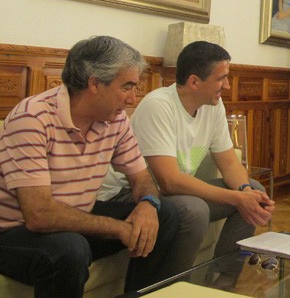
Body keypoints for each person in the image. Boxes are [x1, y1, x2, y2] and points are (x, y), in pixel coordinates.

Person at [0, 36, 180, 298]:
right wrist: (119, 228)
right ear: (95, 83)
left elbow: (142, 178)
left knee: (166, 216)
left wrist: (148, 205)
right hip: (14, 231)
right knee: (69, 248)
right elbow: (39, 215)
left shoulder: (115, 119)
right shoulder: (32, 118)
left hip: (75, 216)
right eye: (127, 87)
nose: (132, 98)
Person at [99, 40, 275, 285]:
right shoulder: (158, 105)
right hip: (132, 194)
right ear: (194, 81)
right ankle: (175, 289)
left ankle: (221, 283)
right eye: (221, 78)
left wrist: (244, 192)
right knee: (194, 210)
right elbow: (168, 181)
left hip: (174, 194)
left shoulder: (213, 105)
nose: (226, 85)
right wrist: (236, 198)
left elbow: (229, 163)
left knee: (255, 191)